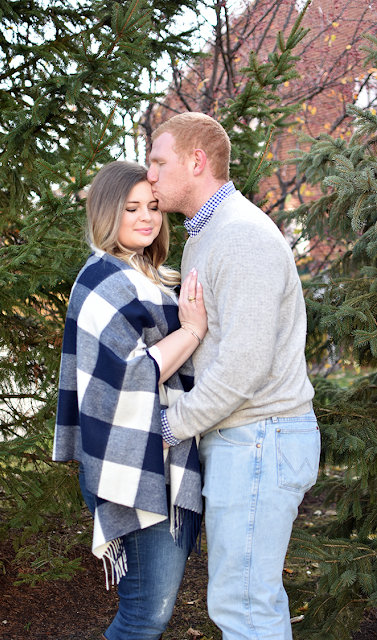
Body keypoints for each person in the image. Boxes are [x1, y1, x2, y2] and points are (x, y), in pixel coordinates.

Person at [147, 112, 321, 640]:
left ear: (196, 162)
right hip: (246, 440)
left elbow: (243, 368)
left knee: (244, 609)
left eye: (159, 161)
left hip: (259, 439)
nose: (149, 174)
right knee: (244, 601)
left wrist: (170, 424)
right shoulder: (208, 234)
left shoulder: (240, 235)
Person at [53, 161, 207, 640]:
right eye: (132, 208)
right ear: (106, 212)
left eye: (154, 207)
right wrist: (194, 329)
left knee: (149, 612)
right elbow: (132, 373)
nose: (147, 218)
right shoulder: (104, 278)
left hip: (158, 457)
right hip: (134, 464)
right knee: (146, 615)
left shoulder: (149, 274)